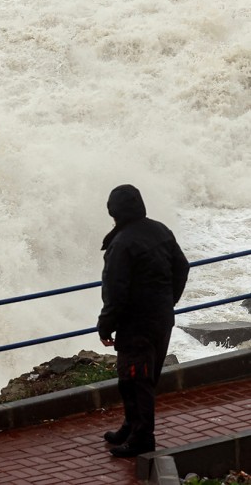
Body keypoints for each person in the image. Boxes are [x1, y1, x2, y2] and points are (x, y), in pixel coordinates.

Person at [97, 184, 189, 458]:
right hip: (161, 319)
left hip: (136, 325)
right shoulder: (160, 230)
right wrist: (169, 300)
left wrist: (105, 324)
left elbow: (116, 291)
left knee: (137, 381)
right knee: (137, 380)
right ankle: (131, 426)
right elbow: (182, 266)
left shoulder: (122, 243)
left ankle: (143, 439)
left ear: (114, 211)